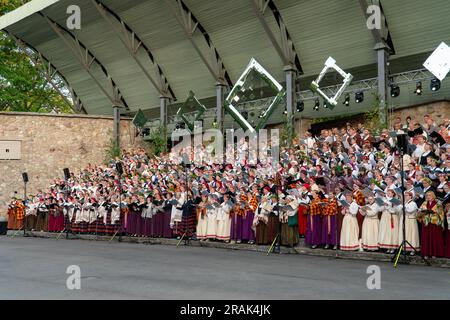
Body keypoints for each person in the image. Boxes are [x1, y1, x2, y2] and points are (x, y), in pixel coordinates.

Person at [418, 191, 445, 258]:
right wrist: (421, 213)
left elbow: (441, 213)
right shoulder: (424, 203)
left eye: (429, 195)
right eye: (427, 195)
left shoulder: (438, 203)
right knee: (426, 238)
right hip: (426, 223)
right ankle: (426, 253)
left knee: (434, 238)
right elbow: (419, 211)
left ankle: (434, 253)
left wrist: (434, 212)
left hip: (434, 223)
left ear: (433, 196)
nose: (428, 197)